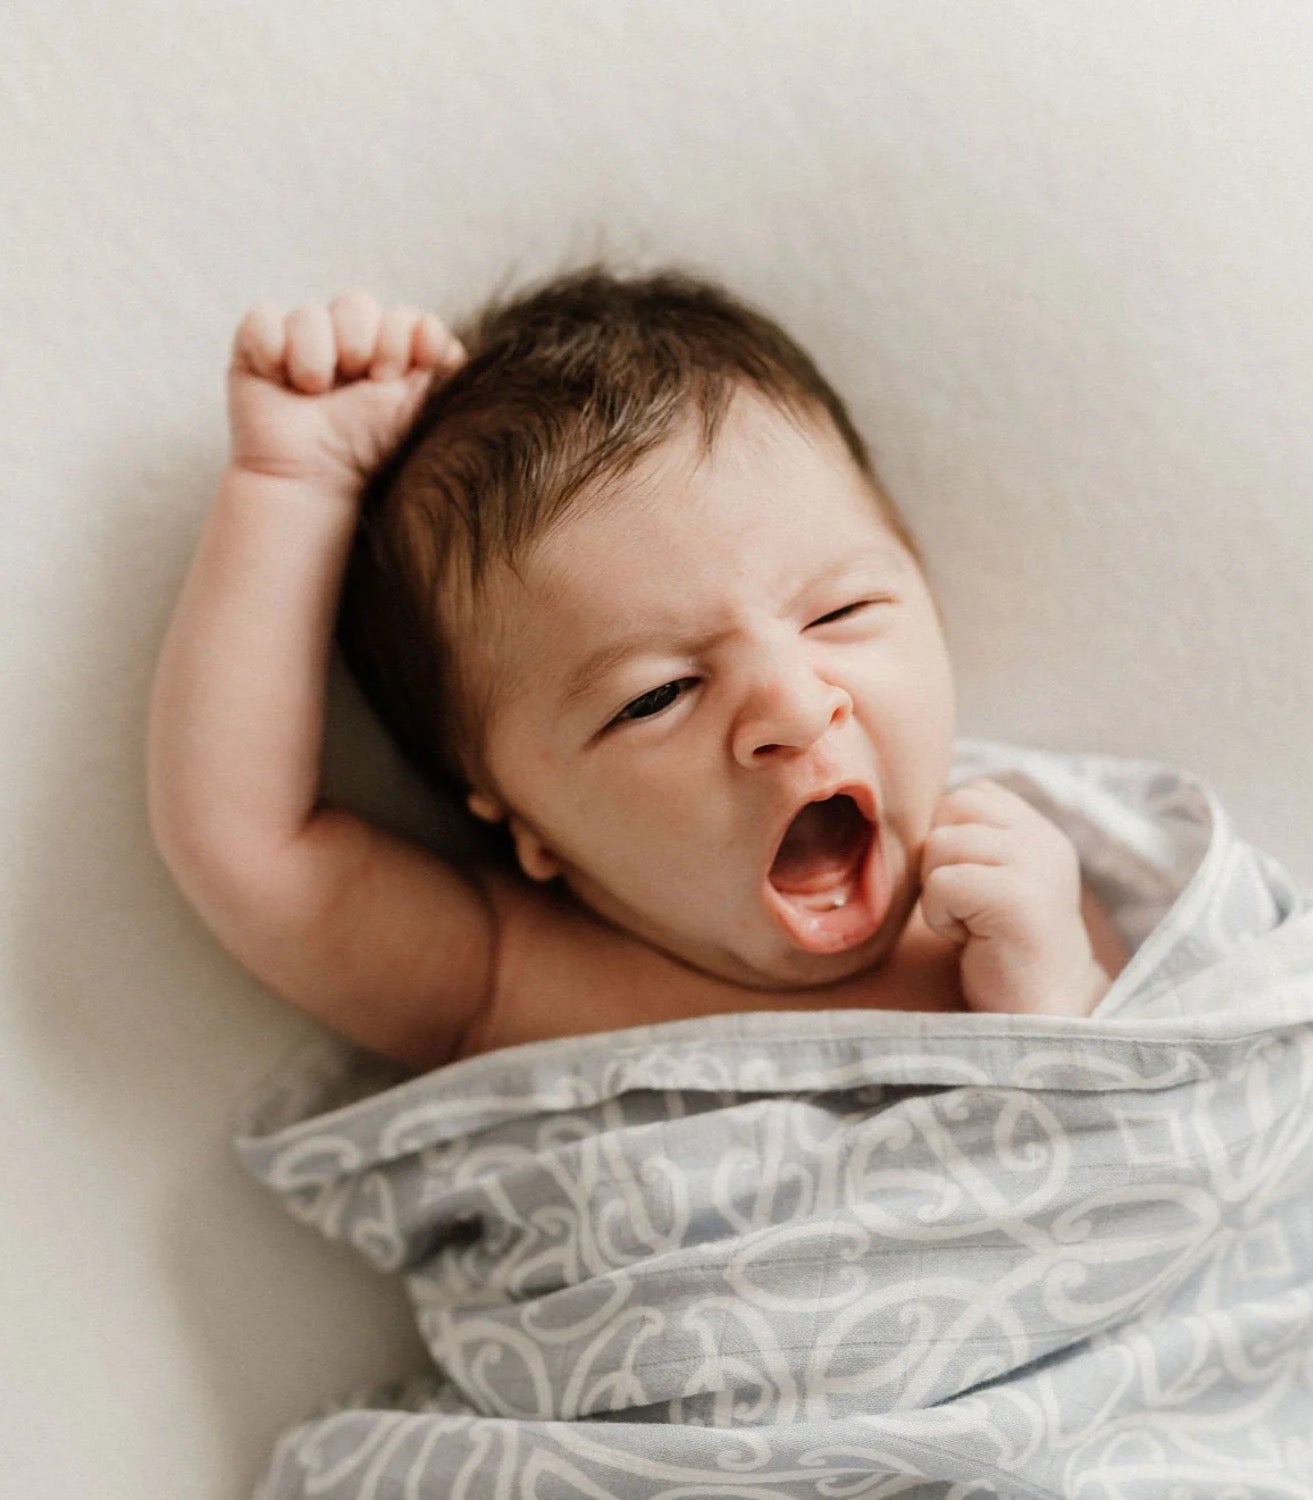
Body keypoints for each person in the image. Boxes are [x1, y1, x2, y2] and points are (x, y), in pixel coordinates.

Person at [146, 267, 1129, 1071]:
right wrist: (292, 484)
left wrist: (1056, 996)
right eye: (656, 696)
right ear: (528, 824)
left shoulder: (1031, 883)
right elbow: (252, 846)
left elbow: (1170, 1155)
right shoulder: (516, 981)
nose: (791, 707)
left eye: (842, 612)